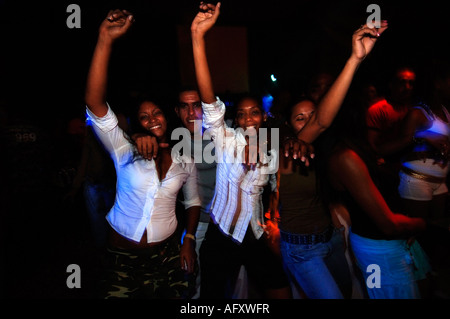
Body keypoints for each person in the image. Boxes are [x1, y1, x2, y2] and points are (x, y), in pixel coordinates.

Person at [84, 9, 201, 298]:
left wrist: (189, 239)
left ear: (166, 117)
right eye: (144, 117)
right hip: (122, 259)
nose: (152, 120)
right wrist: (104, 40)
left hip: (168, 256)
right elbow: (94, 103)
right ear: (138, 124)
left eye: (157, 113)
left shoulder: (185, 157)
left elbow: (193, 201)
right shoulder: (123, 148)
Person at [191, 2, 292, 299]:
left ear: (263, 117)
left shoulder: (272, 149)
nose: (248, 118)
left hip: (257, 235)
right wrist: (198, 37)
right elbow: (209, 100)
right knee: (211, 298)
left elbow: (276, 188)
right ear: (236, 120)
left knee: (280, 291)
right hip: (220, 234)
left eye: (255, 113)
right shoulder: (226, 140)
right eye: (243, 114)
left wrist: (274, 216)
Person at [274, 97, 352, 299]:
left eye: (312, 115)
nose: (308, 122)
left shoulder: (326, 150)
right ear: (289, 125)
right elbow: (318, 124)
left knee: (346, 292)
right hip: (302, 249)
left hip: (330, 237)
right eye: (300, 118)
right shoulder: (287, 155)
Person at [366, 66, 417, 210]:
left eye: (411, 83)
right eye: (402, 82)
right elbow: (372, 146)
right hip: (387, 173)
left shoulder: (417, 110)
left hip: (413, 172)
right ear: (391, 84)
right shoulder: (378, 109)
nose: (407, 87)